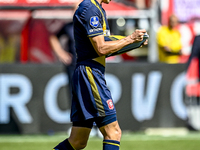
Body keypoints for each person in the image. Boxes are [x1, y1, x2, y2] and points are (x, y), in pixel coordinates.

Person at [53, 0, 148, 150]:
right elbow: (102, 48)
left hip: (86, 72)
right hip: (90, 73)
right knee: (113, 132)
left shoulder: (96, 8)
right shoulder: (90, 9)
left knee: (78, 140)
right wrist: (130, 39)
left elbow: (105, 45)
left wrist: (133, 42)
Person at [49, 19, 76, 99]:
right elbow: (53, 38)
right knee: (75, 96)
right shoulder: (69, 26)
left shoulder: (93, 25)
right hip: (74, 66)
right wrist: (61, 53)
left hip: (90, 66)